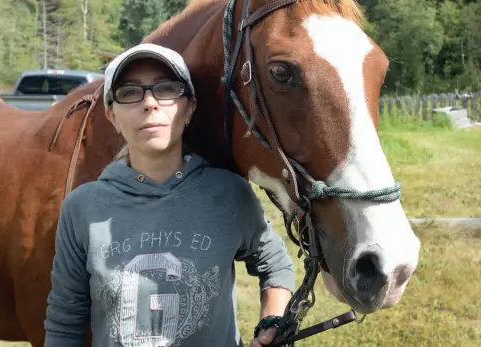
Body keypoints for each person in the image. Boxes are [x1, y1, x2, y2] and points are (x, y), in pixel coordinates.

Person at [44, 43, 295, 347]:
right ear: (111, 115)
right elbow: (65, 320)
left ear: (189, 108)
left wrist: (271, 320)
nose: (149, 103)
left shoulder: (229, 194)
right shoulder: (82, 207)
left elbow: (276, 266)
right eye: (130, 92)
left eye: (166, 89)